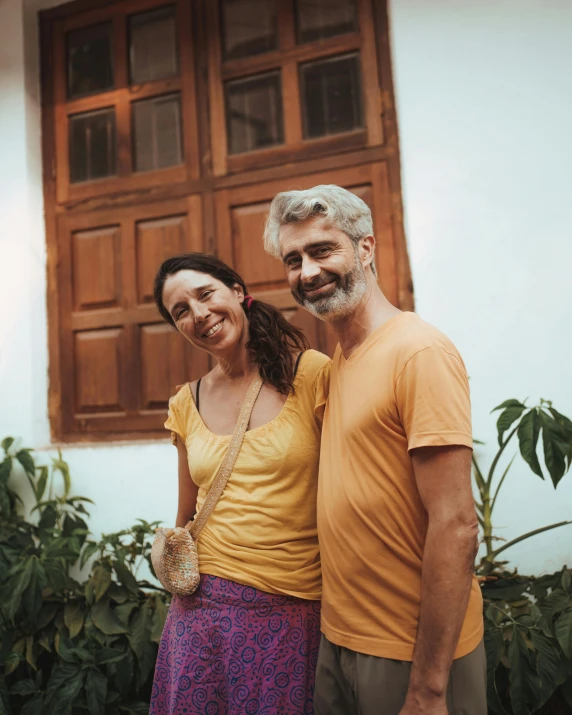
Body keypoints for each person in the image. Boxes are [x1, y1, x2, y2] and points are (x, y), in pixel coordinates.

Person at [264, 185, 486, 715]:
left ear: (365, 248)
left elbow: (457, 525)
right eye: (293, 260)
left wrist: (430, 686)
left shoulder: (417, 351)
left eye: (322, 250)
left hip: (407, 651)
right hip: (341, 638)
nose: (308, 272)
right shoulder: (340, 360)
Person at [149, 253, 329, 715]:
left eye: (205, 294)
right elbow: (185, 517)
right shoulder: (186, 402)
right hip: (200, 612)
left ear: (235, 289)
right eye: (181, 311)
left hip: (288, 606)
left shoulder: (308, 374)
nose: (199, 314)